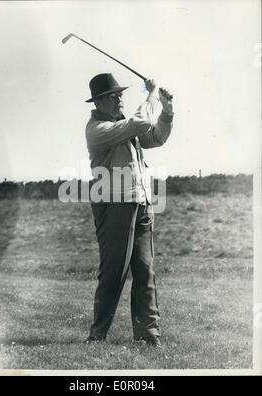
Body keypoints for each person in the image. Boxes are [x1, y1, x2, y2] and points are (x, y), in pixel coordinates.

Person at [84, 73, 173, 348]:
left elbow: (156, 136)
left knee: (145, 271)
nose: (120, 98)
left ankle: (149, 335)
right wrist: (151, 95)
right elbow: (141, 122)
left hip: (142, 203)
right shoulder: (97, 129)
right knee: (113, 272)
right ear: (99, 102)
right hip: (115, 207)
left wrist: (167, 110)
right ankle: (97, 335)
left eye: (121, 94)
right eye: (114, 95)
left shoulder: (124, 127)